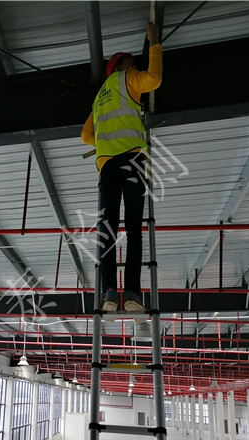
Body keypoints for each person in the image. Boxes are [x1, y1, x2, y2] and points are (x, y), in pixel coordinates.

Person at [81, 20, 162, 313]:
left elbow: (85, 136)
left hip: (107, 168)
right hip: (131, 161)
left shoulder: (98, 99)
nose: (134, 65)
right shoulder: (127, 78)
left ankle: (109, 293)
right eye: (130, 62)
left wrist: (105, 145)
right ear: (120, 66)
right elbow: (154, 79)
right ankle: (132, 293)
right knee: (134, 229)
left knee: (108, 231)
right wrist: (154, 42)